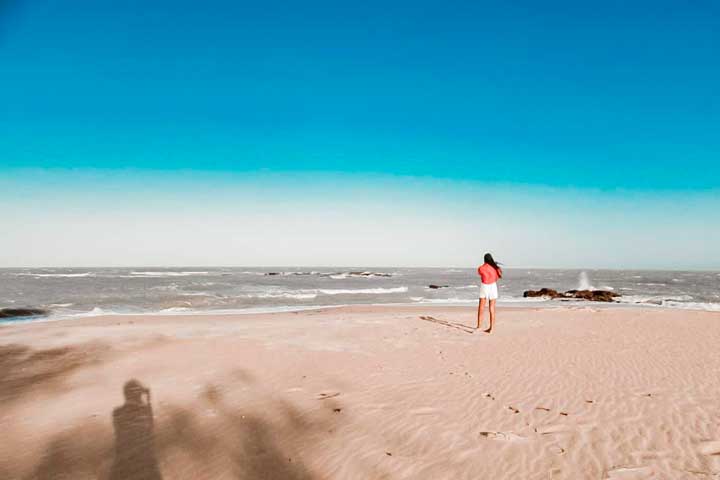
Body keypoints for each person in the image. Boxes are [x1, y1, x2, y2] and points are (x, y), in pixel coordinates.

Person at [476, 253, 502, 333]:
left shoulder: (481, 268)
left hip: (484, 286)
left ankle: (479, 327)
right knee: (492, 308)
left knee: (481, 307)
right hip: (493, 287)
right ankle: (491, 328)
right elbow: (497, 277)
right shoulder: (496, 268)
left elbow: (480, 274)